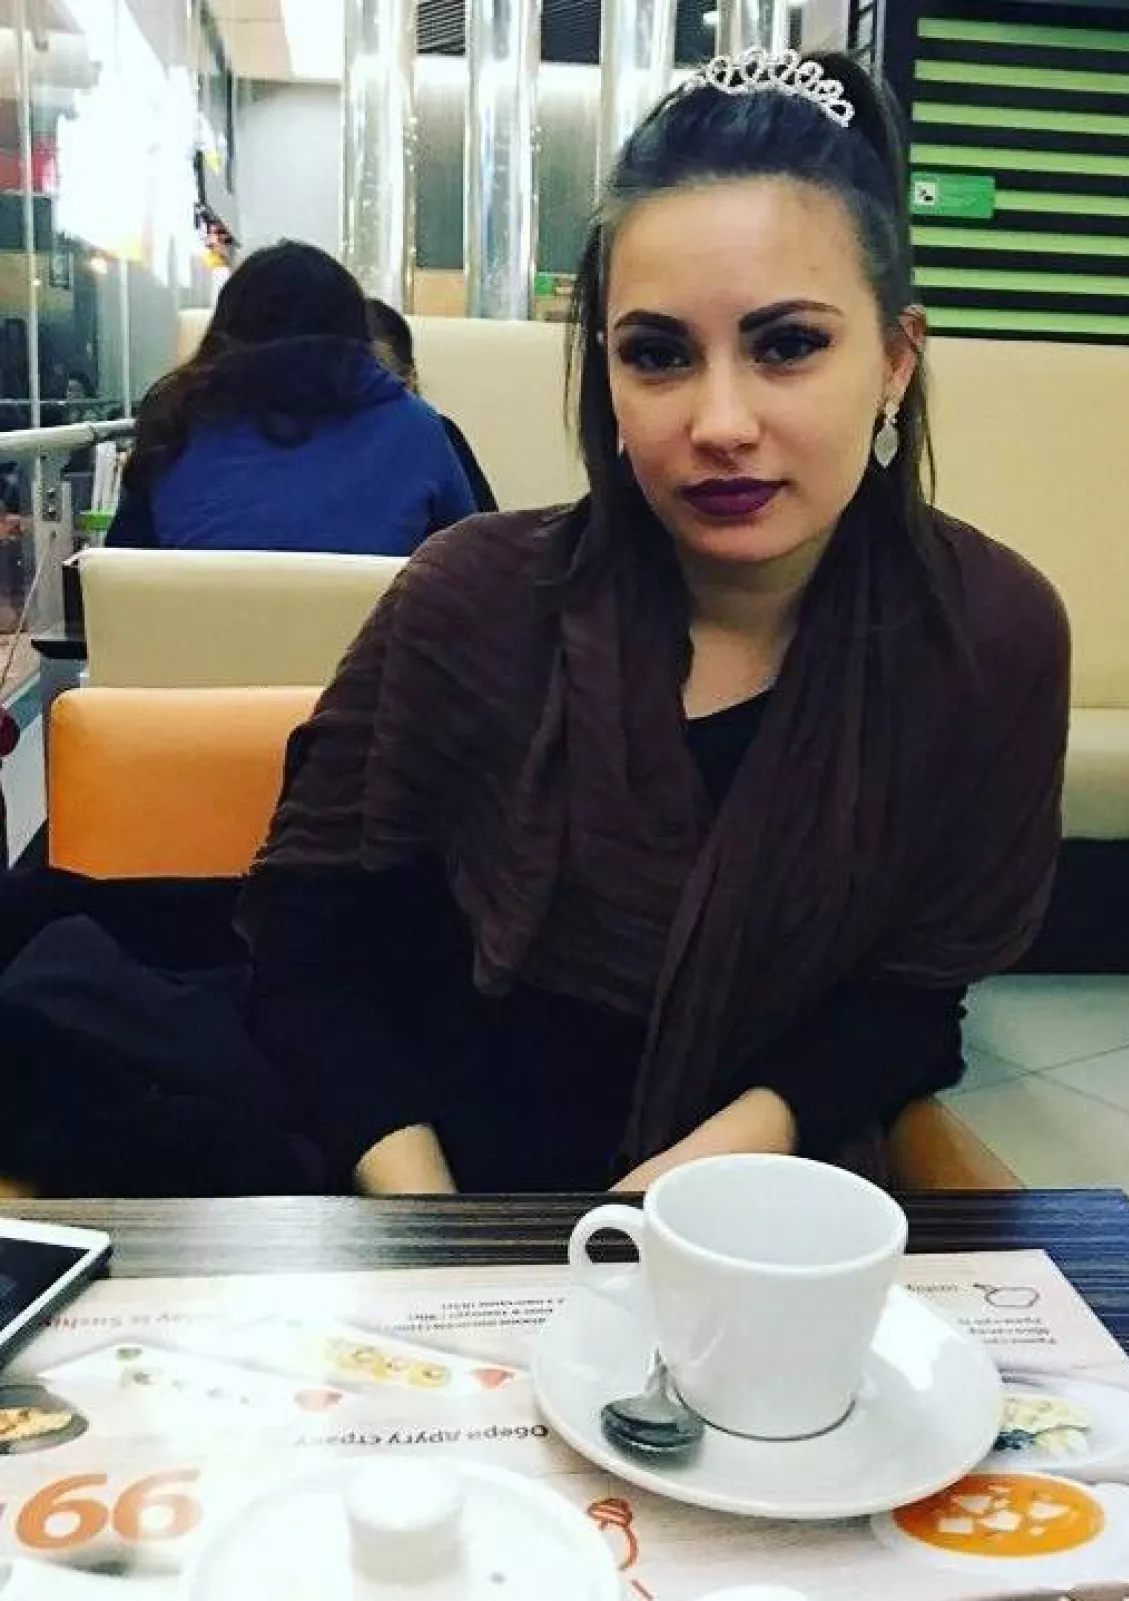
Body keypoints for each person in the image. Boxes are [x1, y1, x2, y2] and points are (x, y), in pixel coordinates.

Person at [241, 51, 1070, 1197]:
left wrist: (681, 1190)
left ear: (893, 359)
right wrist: (434, 1230)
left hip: (761, 1213)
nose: (718, 421)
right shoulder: (467, 600)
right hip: (427, 1193)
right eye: (658, 354)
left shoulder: (987, 641)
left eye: (786, 344)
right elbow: (306, 956)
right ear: (608, 374)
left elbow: (906, 1004)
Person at [106, 242, 476, 555]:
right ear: (359, 332)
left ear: (224, 329)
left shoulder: (176, 428)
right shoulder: (418, 430)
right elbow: (481, 577)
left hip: (200, 622)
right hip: (372, 623)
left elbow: (117, 585)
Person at [366, 298, 497, 513]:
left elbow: (484, 527)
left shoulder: (437, 434)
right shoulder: (316, 437)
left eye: (376, 370)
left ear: (410, 379)